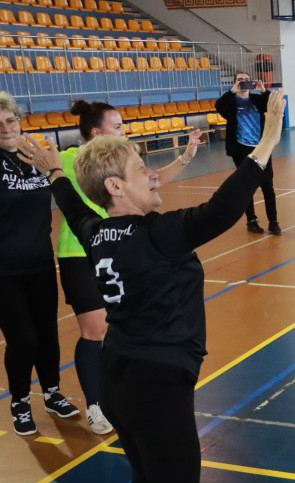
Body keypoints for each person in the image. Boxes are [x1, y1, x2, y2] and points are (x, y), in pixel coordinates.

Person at [17, 90, 288, 483]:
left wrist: (54, 171)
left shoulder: (96, 232)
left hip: (120, 374)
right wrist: (268, 142)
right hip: (156, 383)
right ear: (116, 187)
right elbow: (226, 207)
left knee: (144, 480)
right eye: (144, 169)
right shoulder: (159, 235)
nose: (155, 176)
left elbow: (71, 202)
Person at [57, 100, 202, 435]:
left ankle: (114, 395)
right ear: (97, 133)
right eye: (117, 126)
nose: (123, 130)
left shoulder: (120, 164)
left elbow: (152, 180)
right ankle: (94, 404)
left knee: (116, 331)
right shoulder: (69, 159)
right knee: (94, 331)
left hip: (118, 249)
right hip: (78, 253)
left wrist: (185, 156)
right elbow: (51, 179)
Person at [0, 92, 77, 436]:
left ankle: (51, 392)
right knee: (23, 340)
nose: (5, 127)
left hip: (41, 264)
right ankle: (19, 400)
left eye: (10, 120)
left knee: (48, 334)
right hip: (5, 271)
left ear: (19, 120)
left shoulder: (36, 156)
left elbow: (61, 185)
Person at [215, 71, 281, 235]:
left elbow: (271, 106)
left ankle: (273, 222)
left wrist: (262, 90)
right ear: (235, 83)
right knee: (246, 187)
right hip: (240, 149)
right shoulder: (231, 103)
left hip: (261, 148)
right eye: (240, 80)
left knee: (268, 186)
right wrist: (232, 91)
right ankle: (251, 220)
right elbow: (219, 105)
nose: (243, 82)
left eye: (246, 80)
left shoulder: (257, 100)